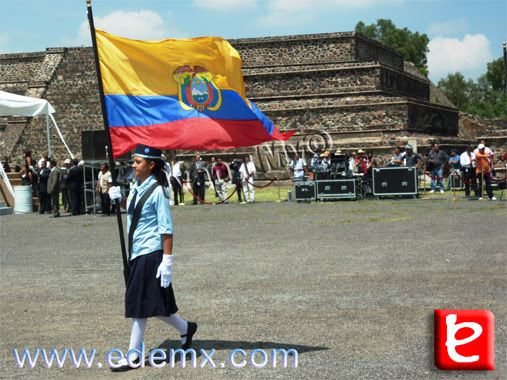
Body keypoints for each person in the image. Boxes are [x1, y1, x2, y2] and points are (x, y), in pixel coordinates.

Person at [107, 144, 197, 372]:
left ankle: (133, 356)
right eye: (134, 161)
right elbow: (135, 211)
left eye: (138, 162)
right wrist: (119, 200)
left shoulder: (158, 191)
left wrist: (168, 261)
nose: (134, 165)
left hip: (151, 253)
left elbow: (166, 228)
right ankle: (186, 327)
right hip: (136, 252)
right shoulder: (137, 185)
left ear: (151, 164)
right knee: (154, 303)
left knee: (138, 305)